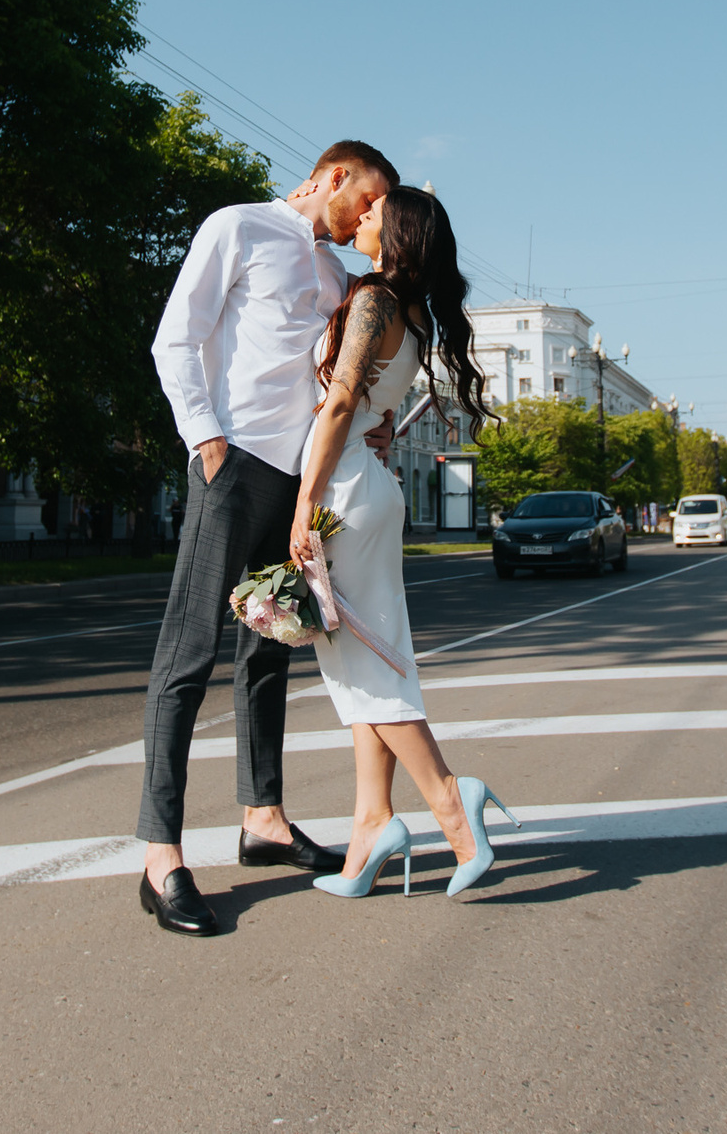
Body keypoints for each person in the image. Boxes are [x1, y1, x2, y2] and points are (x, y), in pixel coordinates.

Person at [138, 140, 400, 936]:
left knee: (268, 652)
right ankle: (160, 856)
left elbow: (337, 372)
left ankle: (264, 818)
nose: (368, 217)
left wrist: (371, 429)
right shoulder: (238, 226)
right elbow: (175, 336)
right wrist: (204, 439)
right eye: (366, 199)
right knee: (189, 650)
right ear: (331, 176)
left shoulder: (336, 274)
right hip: (233, 463)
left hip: (297, 486)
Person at [289, 186, 518, 899]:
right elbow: (373, 407)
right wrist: (371, 431)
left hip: (346, 493)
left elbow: (337, 406)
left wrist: (303, 505)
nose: (359, 217)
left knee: (370, 667)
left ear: (399, 230)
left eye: (373, 211)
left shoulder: (375, 301)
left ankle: (453, 803)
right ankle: (371, 826)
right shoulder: (413, 316)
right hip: (371, 486)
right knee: (364, 664)